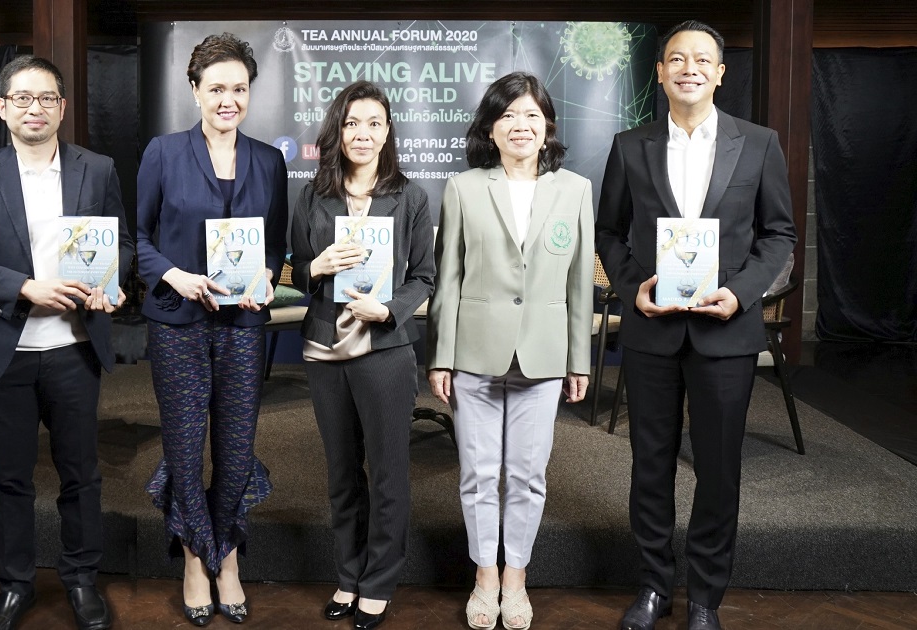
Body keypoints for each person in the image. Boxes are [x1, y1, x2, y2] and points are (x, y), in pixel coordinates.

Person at [596, 21, 796, 630]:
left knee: (718, 470)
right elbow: (608, 232)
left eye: (702, 60)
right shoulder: (630, 145)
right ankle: (654, 586)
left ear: (720, 73)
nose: (689, 68)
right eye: (677, 59)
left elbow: (779, 234)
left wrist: (741, 294)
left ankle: (706, 596)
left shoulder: (758, 143)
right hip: (652, 330)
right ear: (659, 72)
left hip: (725, 333)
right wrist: (633, 288)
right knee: (650, 466)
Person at [0, 55, 133, 630]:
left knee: (81, 473)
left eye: (47, 98)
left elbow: (120, 242)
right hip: (7, 351)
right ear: (2, 108)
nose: (35, 108)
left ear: (62, 107)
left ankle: (82, 580)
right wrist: (24, 288)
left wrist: (113, 282)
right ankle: (15, 585)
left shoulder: (96, 168)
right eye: (22, 98)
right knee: (9, 477)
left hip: (74, 348)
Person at [425, 71, 593, 630]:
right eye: (507, 115)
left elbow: (579, 285)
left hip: (543, 356)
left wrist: (578, 359)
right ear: (490, 129)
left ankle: (516, 576)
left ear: (547, 126)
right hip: (474, 354)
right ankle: (485, 577)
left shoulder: (575, 190)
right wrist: (440, 355)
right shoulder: (464, 188)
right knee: (477, 473)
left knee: (526, 474)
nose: (520, 125)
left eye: (531, 115)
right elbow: (448, 279)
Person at [136, 33, 287, 627]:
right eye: (217, 88)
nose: (229, 100)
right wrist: (174, 275)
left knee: (235, 446)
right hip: (177, 322)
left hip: (242, 323)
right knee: (183, 444)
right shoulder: (164, 152)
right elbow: (138, 239)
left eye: (239, 89)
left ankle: (227, 553)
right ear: (194, 90)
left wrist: (268, 276)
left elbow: (274, 247)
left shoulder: (269, 160)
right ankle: (195, 557)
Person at [290, 80, 435, 630]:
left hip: (384, 348)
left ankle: (378, 583)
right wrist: (317, 267)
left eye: (374, 123)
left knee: (388, 472)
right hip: (325, 345)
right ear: (338, 129)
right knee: (342, 472)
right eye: (352, 123)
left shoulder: (410, 197)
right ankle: (348, 575)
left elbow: (424, 277)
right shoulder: (313, 194)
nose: (363, 134)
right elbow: (296, 271)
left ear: (388, 131)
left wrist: (389, 310)